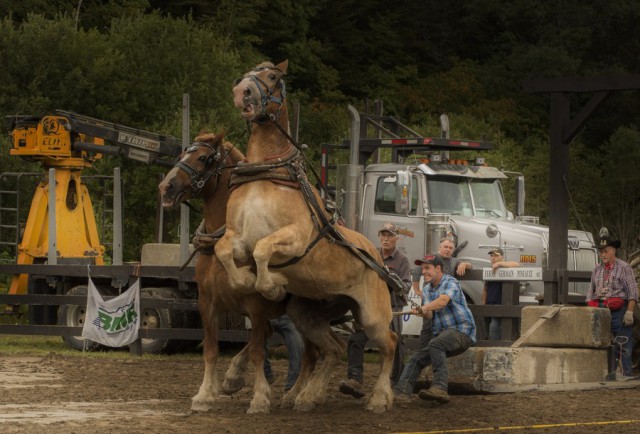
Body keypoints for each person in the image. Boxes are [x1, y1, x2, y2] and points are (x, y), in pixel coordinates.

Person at [339, 222, 411, 398]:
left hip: (391, 307)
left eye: (390, 236)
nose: (386, 239)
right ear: (380, 237)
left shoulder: (402, 260)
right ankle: (355, 379)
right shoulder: (371, 254)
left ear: (396, 238)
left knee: (395, 343)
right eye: (383, 235)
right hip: (370, 306)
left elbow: (406, 286)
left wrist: (392, 279)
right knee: (356, 338)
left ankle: (396, 381)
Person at [393, 253, 476, 404]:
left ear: (438, 268)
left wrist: (425, 306)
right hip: (444, 336)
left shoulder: (451, 282)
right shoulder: (426, 290)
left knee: (435, 343)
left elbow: (443, 301)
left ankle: (440, 388)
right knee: (416, 358)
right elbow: (430, 315)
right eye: (422, 269)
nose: (423, 272)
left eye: (427, 268)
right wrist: (422, 312)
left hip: (462, 332)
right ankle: (401, 393)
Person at [586, 234, 638, 377]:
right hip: (601, 308)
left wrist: (629, 311)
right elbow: (590, 293)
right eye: (601, 251)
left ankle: (625, 372)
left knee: (623, 341)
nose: (603, 254)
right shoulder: (596, 270)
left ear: (613, 251)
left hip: (619, 309)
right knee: (602, 341)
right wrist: (591, 309)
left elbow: (632, 292)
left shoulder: (624, 267)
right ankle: (606, 372)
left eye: (606, 251)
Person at [412, 238, 473, 349]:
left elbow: (471, 265)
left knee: (443, 325)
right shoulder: (431, 258)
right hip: (429, 295)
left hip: (444, 296)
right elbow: (416, 270)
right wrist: (417, 290)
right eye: (445, 247)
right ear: (439, 248)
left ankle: (437, 349)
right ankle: (423, 352)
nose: (448, 250)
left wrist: (464, 264)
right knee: (427, 326)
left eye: (450, 248)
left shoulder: (454, 261)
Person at [482, 248, 520, 341]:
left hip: (500, 306)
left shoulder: (506, 268)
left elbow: (517, 265)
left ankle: (495, 348)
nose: (493, 258)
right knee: (486, 330)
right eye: (491, 256)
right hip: (488, 305)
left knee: (494, 328)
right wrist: (482, 305)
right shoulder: (489, 270)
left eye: (496, 255)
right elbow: (485, 289)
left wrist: (499, 264)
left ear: (502, 257)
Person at [263, 314, 304, 391]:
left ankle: (292, 385)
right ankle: (266, 375)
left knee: (297, 343)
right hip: (267, 315)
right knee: (258, 342)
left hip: (288, 316)